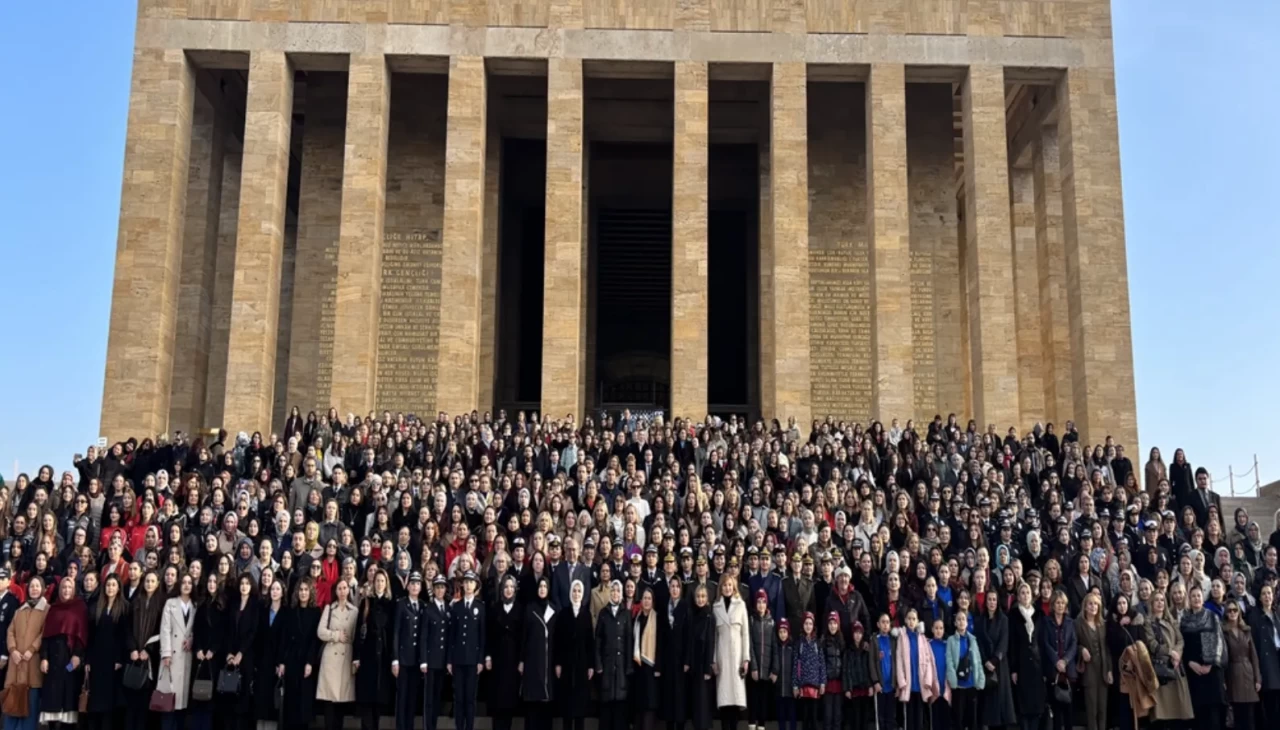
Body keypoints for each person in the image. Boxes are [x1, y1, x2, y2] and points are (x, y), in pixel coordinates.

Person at [37, 577, 87, 730]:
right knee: (52, 703)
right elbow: (46, 636)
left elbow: (82, 634)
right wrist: (44, 658)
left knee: (68, 704)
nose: (66, 590)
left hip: (70, 659)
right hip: (53, 660)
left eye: (69, 588)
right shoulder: (54, 608)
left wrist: (77, 654)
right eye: (63, 587)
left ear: (73, 590)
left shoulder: (79, 607)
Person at [83, 573, 126, 730]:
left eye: (114, 585)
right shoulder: (97, 607)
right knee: (95, 703)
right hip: (96, 660)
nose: (110, 588)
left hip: (112, 662)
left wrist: (119, 659)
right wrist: (87, 660)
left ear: (119, 588)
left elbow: (123, 636)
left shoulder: (123, 608)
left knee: (109, 704)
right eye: (108, 585)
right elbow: (91, 636)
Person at [4, 576, 48, 730]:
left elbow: (44, 634)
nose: (34, 589)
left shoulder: (47, 610)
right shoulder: (19, 610)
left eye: (37, 586)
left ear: (42, 588)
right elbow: (10, 632)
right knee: (11, 706)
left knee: (30, 707)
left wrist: (32, 649)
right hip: (16, 665)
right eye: (32, 586)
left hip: (32, 665)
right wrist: (13, 650)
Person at [1182, 584, 1227, 730]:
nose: (1196, 598)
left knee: (1214, 717)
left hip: (1212, 673)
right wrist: (1190, 663)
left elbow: (1218, 641)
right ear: (1189, 599)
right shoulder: (1185, 620)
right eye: (1193, 596)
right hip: (1194, 673)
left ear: (1203, 598)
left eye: (1198, 596)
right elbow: (1183, 645)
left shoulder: (1212, 616)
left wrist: (1209, 663)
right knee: (1199, 716)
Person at [278, 579, 321, 730]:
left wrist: (310, 661)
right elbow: (284, 637)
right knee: (291, 701)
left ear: (310, 593)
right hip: (291, 660)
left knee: (304, 703)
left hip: (307, 661)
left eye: (306, 590)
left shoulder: (316, 612)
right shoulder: (290, 612)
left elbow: (315, 640)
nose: (303, 593)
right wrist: (282, 662)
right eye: (301, 590)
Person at [1147, 590, 1194, 724]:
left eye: (1162, 600)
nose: (1160, 603)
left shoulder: (1171, 621)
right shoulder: (1148, 622)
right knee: (1163, 714)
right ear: (1152, 603)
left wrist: (1177, 654)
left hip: (1175, 667)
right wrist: (1169, 652)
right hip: (1162, 670)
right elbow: (1152, 644)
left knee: (1178, 713)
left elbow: (1180, 640)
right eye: (1157, 600)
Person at [126, 571, 164, 730]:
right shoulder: (135, 601)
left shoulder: (161, 603)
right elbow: (127, 628)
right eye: (147, 580)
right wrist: (133, 648)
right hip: (134, 657)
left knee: (144, 703)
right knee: (130, 702)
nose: (149, 584)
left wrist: (148, 650)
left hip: (150, 659)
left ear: (157, 584)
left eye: (152, 581)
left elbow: (161, 631)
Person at [317, 577, 357, 730]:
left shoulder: (354, 611)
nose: (342, 591)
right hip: (330, 657)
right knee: (329, 701)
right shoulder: (329, 608)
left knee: (341, 700)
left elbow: (354, 636)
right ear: (335, 591)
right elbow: (320, 631)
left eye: (344, 588)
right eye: (339, 588)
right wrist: (335, 636)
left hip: (346, 657)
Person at [555, 579, 595, 730]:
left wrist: (591, 665)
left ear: (582, 593)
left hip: (582, 664)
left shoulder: (586, 614)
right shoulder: (564, 613)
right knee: (567, 707)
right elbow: (558, 640)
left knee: (580, 707)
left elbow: (590, 641)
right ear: (570, 593)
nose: (576, 594)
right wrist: (558, 663)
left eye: (579, 591)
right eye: (574, 591)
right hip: (566, 664)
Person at [158, 574, 196, 730]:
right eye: (184, 582)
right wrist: (166, 653)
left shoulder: (195, 606)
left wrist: (192, 638)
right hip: (172, 656)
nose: (186, 585)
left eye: (189, 583)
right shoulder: (170, 603)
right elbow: (165, 629)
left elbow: (195, 629)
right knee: (168, 701)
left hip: (187, 656)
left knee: (182, 704)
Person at [448, 571, 485, 730]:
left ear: (476, 585)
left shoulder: (480, 607)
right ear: (462, 585)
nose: (469, 585)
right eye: (466, 582)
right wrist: (449, 660)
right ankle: (459, 726)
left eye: (471, 582)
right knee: (459, 698)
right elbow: (452, 635)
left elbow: (482, 635)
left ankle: (469, 726)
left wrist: (480, 659)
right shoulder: (456, 606)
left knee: (470, 698)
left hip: (472, 659)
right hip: (458, 658)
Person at [190, 572, 227, 730]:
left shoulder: (223, 605)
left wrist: (214, 650)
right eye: (209, 581)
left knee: (211, 697)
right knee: (198, 694)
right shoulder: (202, 603)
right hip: (200, 655)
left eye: (214, 581)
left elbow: (224, 631)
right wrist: (198, 648)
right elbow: (196, 629)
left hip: (215, 656)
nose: (212, 584)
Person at [1007, 582, 1045, 730]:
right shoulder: (1014, 615)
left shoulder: (1039, 614)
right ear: (1018, 596)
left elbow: (1041, 641)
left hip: (1037, 665)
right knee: (1022, 705)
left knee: (1036, 705)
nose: (1025, 595)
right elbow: (1012, 643)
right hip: (1021, 664)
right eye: (1022, 593)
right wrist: (1014, 668)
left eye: (1027, 592)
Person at [714, 577, 750, 730]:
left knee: (735, 700)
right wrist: (714, 660)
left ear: (734, 587)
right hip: (722, 658)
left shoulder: (741, 605)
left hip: (737, 658)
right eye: (725, 585)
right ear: (721, 588)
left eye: (730, 585)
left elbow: (745, 634)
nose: (727, 588)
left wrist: (746, 659)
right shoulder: (716, 607)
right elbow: (714, 637)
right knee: (724, 702)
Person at [595, 580, 632, 730]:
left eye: (618, 590)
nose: (615, 593)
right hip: (607, 666)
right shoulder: (603, 613)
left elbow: (629, 640)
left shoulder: (626, 614)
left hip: (622, 666)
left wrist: (629, 667)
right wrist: (598, 664)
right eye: (613, 590)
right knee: (606, 706)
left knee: (620, 708)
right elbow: (598, 640)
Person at [894, 608, 938, 730]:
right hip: (908, 684)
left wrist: (927, 681)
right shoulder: (902, 638)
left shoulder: (922, 639)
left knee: (919, 718)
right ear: (905, 620)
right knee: (909, 719)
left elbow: (928, 661)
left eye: (914, 619)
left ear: (917, 621)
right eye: (909, 618)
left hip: (920, 685)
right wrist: (902, 681)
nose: (911, 621)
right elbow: (899, 661)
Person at [522, 575, 557, 730]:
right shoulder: (530, 608)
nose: (542, 589)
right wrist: (522, 660)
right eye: (540, 586)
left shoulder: (554, 610)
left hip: (548, 661)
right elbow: (524, 636)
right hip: (532, 660)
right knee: (532, 702)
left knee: (546, 702)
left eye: (545, 586)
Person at [392, 571, 424, 730]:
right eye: (412, 583)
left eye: (418, 584)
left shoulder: (423, 605)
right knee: (402, 697)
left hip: (417, 659)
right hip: (403, 659)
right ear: (408, 586)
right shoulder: (401, 604)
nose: (415, 586)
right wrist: (395, 659)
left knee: (412, 697)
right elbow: (396, 632)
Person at [1040, 589, 1076, 730]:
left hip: (1068, 672)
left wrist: (1065, 661)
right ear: (1053, 605)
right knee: (1056, 712)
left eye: (1063, 603)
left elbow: (1074, 643)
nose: (1060, 605)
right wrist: (1056, 661)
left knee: (1069, 712)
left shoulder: (1070, 622)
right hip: (1053, 671)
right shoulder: (1046, 621)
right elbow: (1045, 643)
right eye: (1057, 603)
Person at [252, 579, 286, 730]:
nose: (274, 592)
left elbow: (285, 640)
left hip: (277, 663)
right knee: (261, 701)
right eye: (272, 589)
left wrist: (281, 662)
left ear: (282, 592)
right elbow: (258, 636)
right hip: (262, 661)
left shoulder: (286, 613)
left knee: (273, 703)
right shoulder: (263, 610)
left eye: (278, 589)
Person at [420, 575, 451, 730]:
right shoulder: (428, 609)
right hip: (431, 660)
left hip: (444, 660)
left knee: (438, 696)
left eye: (442, 587)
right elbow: (424, 636)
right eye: (437, 587)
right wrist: (424, 660)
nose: (440, 590)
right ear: (434, 589)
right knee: (429, 699)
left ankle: (434, 725)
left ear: (445, 589)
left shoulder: (448, 609)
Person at [1076, 591, 1111, 730]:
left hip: (1102, 670)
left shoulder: (1103, 624)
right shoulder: (1078, 623)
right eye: (1090, 604)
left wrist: (1109, 670)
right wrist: (1081, 649)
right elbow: (1073, 644)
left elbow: (1107, 649)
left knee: (1103, 708)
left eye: (1096, 604)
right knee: (1092, 710)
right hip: (1089, 670)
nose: (1093, 607)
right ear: (1085, 606)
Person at [1224, 600, 1261, 730]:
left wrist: (1258, 678)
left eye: (1235, 610)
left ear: (1239, 612)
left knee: (1250, 717)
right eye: (1229, 610)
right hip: (1233, 673)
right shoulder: (1224, 632)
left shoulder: (1246, 630)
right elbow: (1224, 658)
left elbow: (1254, 656)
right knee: (1238, 716)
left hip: (1249, 673)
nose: (1232, 612)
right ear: (1226, 613)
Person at [1251, 583, 1280, 729]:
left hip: (1277, 661)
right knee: (1270, 708)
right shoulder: (1256, 618)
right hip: (1267, 666)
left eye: (1269, 593)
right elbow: (1254, 647)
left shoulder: (1277, 615)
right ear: (1260, 598)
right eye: (1264, 594)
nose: (1267, 596)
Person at [746, 587, 774, 730]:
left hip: (767, 668)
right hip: (755, 670)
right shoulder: (751, 620)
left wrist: (774, 669)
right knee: (753, 700)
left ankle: (762, 725)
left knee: (764, 701)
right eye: (759, 602)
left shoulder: (771, 622)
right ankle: (751, 724)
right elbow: (749, 645)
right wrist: (754, 667)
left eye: (764, 601)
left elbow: (774, 647)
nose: (761, 605)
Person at [792, 612, 824, 730]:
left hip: (815, 686)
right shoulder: (799, 643)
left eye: (810, 623)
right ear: (803, 625)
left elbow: (822, 664)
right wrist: (795, 685)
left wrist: (822, 682)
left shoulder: (817, 643)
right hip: (803, 686)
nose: (808, 626)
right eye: (806, 623)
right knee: (805, 717)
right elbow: (796, 665)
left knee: (814, 717)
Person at [819, 611, 844, 730]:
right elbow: (821, 662)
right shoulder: (823, 641)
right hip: (827, 683)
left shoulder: (842, 641)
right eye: (830, 623)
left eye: (835, 623)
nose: (832, 626)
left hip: (839, 683)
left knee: (838, 715)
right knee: (828, 715)